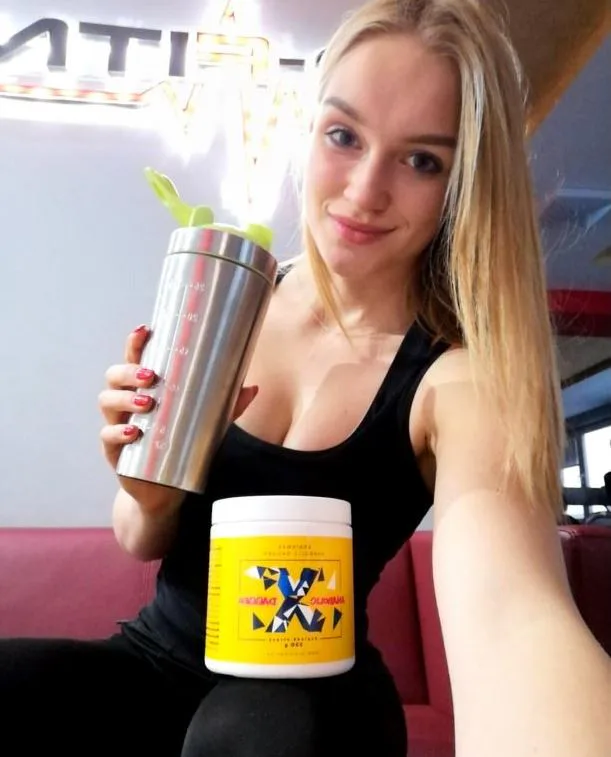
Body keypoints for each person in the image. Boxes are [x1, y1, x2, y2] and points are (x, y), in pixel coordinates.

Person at [2, 0, 611, 755]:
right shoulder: (226, 302)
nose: (363, 189)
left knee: (247, 734)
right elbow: (138, 536)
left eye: (422, 160)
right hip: (156, 661)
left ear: (463, 185)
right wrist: (149, 491)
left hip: (312, 703)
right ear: (310, 128)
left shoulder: (457, 380)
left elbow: (514, 614)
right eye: (343, 135)